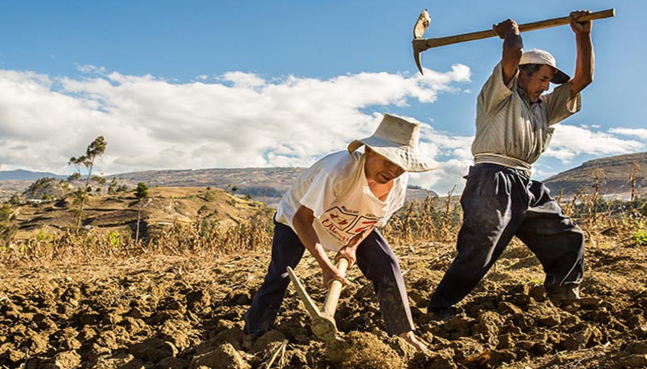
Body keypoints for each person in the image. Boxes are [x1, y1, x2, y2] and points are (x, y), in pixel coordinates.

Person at [428, 10, 595, 319]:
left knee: (567, 235)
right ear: (522, 73)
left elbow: (582, 79)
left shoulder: (544, 107)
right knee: (482, 245)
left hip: (525, 181)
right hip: (492, 177)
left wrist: (582, 35)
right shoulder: (499, 96)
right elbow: (514, 52)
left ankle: (563, 291)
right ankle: (441, 306)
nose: (547, 86)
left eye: (549, 80)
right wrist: (510, 32)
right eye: (542, 78)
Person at [244, 114, 435, 351]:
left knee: (387, 264)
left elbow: (371, 221)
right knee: (280, 274)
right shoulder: (337, 171)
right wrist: (325, 266)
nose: (394, 170)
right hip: (298, 219)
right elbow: (302, 219)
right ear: (369, 151)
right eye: (388, 160)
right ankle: (255, 333)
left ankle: (404, 333)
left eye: (401, 164)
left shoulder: (398, 183)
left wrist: (351, 246)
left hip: (350, 224)